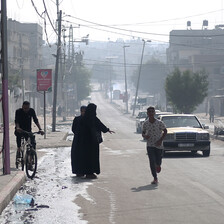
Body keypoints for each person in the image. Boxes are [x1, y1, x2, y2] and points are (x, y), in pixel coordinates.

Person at [76, 103, 114, 179]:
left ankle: (83, 171)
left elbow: (78, 130)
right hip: (92, 142)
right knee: (92, 157)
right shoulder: (93, 118)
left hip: (83, 142)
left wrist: (107, 130)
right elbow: (100, 125)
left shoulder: (83, 119)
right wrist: (107, 130)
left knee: (84, 157)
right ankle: (89, 173)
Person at [142, 106, 167, 184]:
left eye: (152, 112)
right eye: (149, 112)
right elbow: (143, 132)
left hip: (159, 145)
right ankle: (155, 178)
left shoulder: (159, 123)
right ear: (147, 113)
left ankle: (158, 165)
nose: (151, 113)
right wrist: (145, 136)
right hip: (150, 145)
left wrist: (160, 140)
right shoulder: (145, 123)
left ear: (154, 113)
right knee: (152, 161)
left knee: (158, 160)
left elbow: (165, 131)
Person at [71, 105, 87, 177]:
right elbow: (73, 129)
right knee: (77, 156)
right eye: (82, 111)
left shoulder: (89, 119)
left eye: (84, 111)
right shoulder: (77, 119)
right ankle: (78, 171)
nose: (83, 113)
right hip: (77, 141)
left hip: (86, 141)